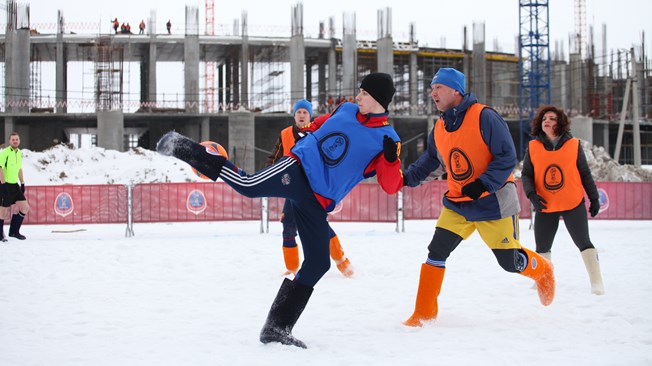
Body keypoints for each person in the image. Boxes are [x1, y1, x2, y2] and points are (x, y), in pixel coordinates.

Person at [157, 72, 403, 348]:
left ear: (379, 100)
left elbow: (391, 186)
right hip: (298, 167)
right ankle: (180, 146)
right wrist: (308, 131)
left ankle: (276, 328)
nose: (357, 97)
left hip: (318, 199)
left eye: (364, 94)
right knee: (248, 184)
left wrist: (391, 160)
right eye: (359, 91)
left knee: (319, 262)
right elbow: (318, 125)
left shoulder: (387, 139)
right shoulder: (346, 109)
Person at [401, 68, 555, 327]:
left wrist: (483, 184)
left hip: (493, 202)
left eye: (438, 87)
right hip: (458, 203)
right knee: (436, 251)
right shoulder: (440, 127)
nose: (432, 93)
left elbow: (507, 156)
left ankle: (543, 270)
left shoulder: (485, 117)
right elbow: (431, 162)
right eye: (432, 88)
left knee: (510, 262)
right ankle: (423, 314)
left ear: (455, 90)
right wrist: (406, 178)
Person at [521, 105, 605, 295]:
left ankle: (596, 282)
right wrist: (531, 195)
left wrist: (594, 198)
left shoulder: (573, 144)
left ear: (560, 123)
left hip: (572, 203)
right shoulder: (533, 146)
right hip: (545, 204)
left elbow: (585, 173)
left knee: (584, 242)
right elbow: (526, 174)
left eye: (551, 118)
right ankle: (542, 282)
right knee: (542, 247)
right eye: (544, 119)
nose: (547, 121)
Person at [266, 99, 353, 277]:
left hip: (314, 189)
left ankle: (342, 262)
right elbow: (273, 159)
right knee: (288, 226)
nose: (302, 115)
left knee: (320, 225)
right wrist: (268, 176)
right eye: (299, 112)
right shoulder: (285, 134)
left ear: (310, 115)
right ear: (294, 115)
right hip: (292, 188)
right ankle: (291, 268)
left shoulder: (319, 133)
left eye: (305, 112)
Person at [0, 132, 30, 241]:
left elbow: (19, 169)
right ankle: (0, 234)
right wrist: (2, 185)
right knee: (3, 211)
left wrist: (22, 183)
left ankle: (14, 231)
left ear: (19, 141)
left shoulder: (19, 153)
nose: (15, 141)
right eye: (13, 139)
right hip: (5, 184)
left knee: (25, 207)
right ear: (9, 141)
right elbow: (0, 168)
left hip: (15, 185)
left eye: (17, 139)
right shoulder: (5, 153)